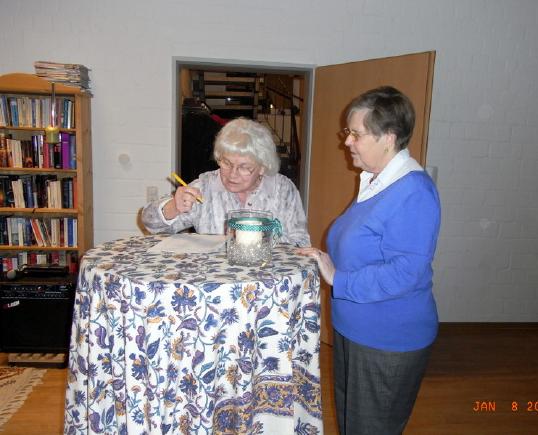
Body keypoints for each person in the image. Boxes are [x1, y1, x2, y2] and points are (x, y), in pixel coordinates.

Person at [297, 86, 441, 434]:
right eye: (348, 132)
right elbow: (364, 245)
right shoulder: (376, 182)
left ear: (388, 138)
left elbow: (405, 272)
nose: (347, 141)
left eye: (356, 134)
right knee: (353, 425)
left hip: (387, 338)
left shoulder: (413, 192)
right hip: (356, 329)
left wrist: (338, 278)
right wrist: (324, 258)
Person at [141, 117, 311, 247]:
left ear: (263, 167)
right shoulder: (205, 187)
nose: (232, 174)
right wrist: (174, 207)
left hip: (268, 277)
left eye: (244, 167)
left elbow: (301, 242)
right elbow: (151, 225)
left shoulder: (283, 190)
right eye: (226, 163)